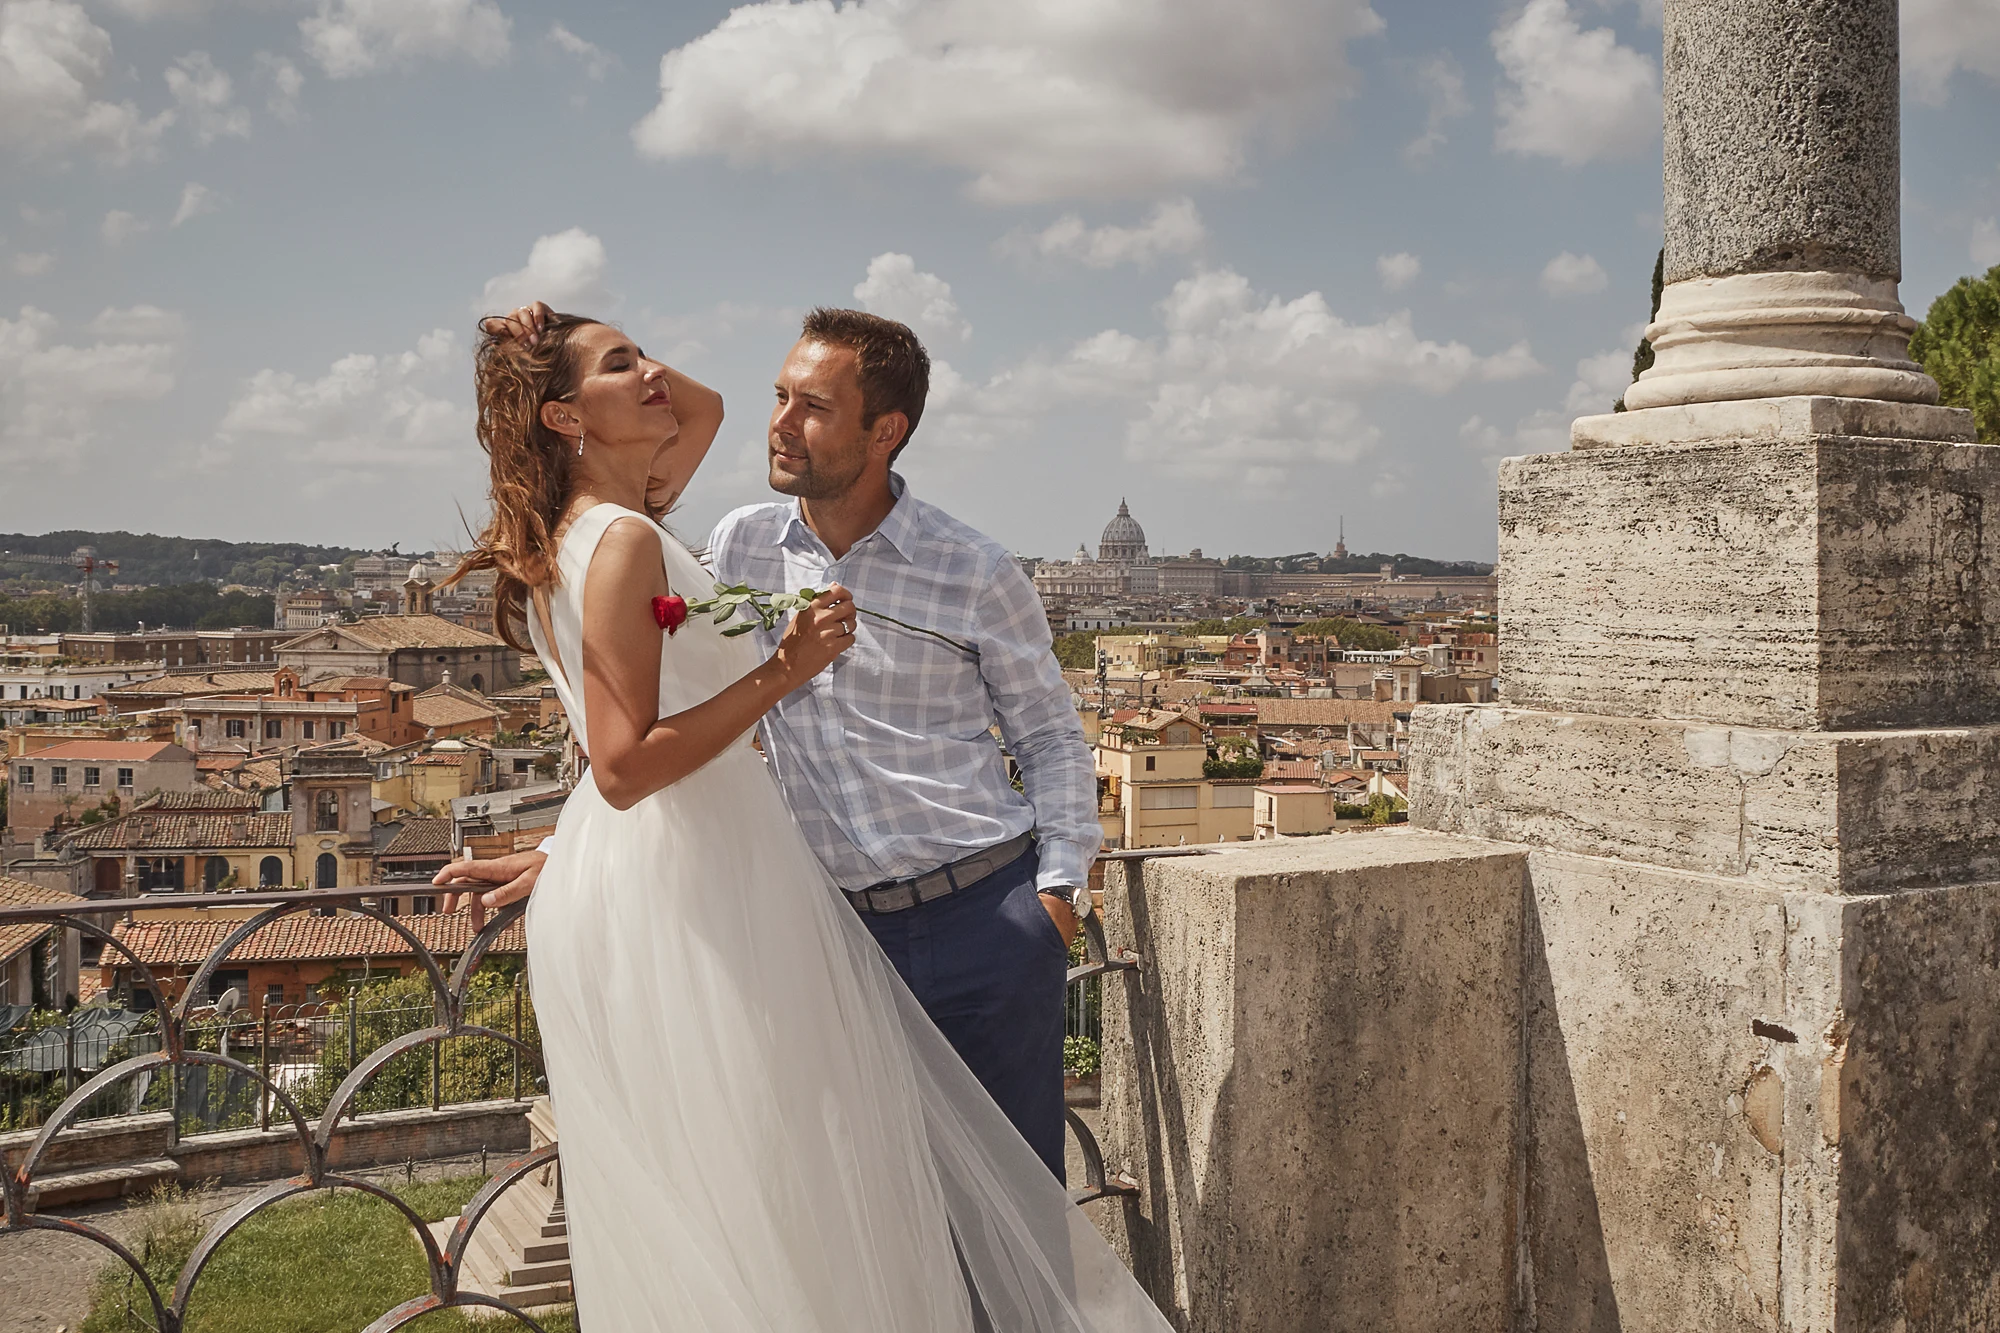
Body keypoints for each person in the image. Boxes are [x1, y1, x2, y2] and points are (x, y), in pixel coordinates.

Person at [439, 309, 1166, 1330]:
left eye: (813, 406)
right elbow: (664, 738)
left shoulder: (974, 567)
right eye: (780, 395)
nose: (778, 422)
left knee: (1008, 1218)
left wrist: (1054, 894)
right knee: (850, 1220)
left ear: (886, 432)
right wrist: (577, 845)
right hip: (817, 934)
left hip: (977, 922)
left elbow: (1050, 738)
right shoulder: (734, 542)